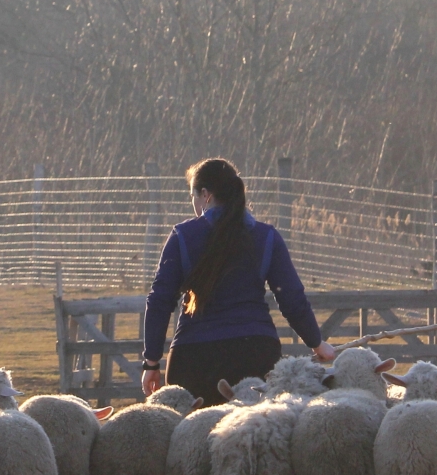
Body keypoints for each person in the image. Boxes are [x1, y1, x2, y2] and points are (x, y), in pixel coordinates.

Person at [140, 157, 336, 404]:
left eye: (193, 197)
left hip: (195, 359)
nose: (194, 204)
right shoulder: (266, 237)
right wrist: (316, 343)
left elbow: (159, 301)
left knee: (191, 437)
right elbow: (291, 297)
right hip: (255, 354)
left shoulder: (183, 236)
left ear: (205, 195)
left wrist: (152, 362)